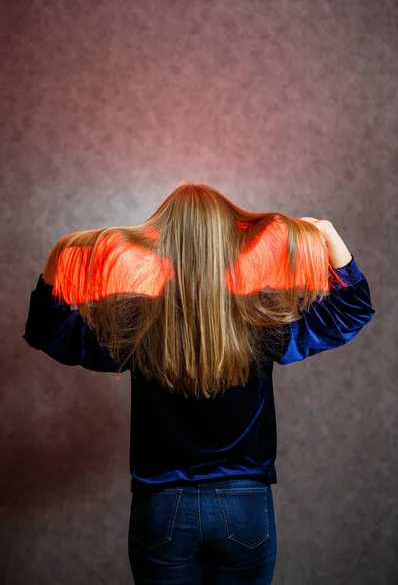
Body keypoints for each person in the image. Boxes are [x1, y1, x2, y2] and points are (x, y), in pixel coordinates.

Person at [23, 182, 375, 584]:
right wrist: (327, 233)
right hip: (244, 503)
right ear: (230, 241)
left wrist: (61, 259)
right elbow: (351, 311)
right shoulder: (259, 317)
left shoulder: (137, 324)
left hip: (162, 506)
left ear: (162, 239)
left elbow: (48, 331)